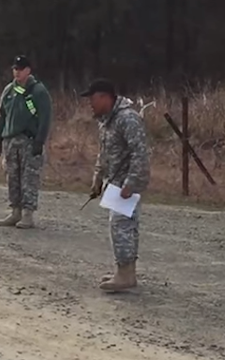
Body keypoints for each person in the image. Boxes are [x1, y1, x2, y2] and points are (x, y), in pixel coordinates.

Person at [80, 79, 151, 292]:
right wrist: (98, 178)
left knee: (122, 226)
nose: (90, 104)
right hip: (116, 181)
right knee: (121, 227)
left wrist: (131, 183)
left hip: (127, 183)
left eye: (92, 99)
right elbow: (105, 153)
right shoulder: (107, 121)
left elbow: (140, 152)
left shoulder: (127, 119)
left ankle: (126, 275)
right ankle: (124, 271)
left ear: (105, 97)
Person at [0, 55, 53, 229]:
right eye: (15, 69)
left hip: (29, 140)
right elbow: (1, 115)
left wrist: (39, 141)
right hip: (10, 140)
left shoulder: (38, 91)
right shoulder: (9, 91)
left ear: (28, 70)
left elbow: (45, 118)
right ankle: (15, 211)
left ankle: (28, 214)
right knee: (13, 177)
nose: (17, 72)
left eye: (20, 69)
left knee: (29, 178)